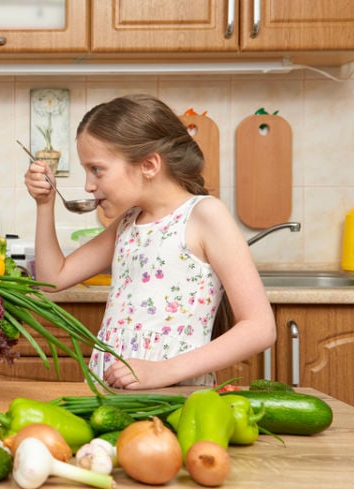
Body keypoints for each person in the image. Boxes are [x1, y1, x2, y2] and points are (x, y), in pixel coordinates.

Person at [23, 94, 275, 390]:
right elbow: (53, 278)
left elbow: (260, 328)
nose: (89, 185)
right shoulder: (128, 223)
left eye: (97, 169)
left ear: (149, 165)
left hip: (175, 394)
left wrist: (163, 371)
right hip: (109, 391)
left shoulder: (205, 215)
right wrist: (44, 203)